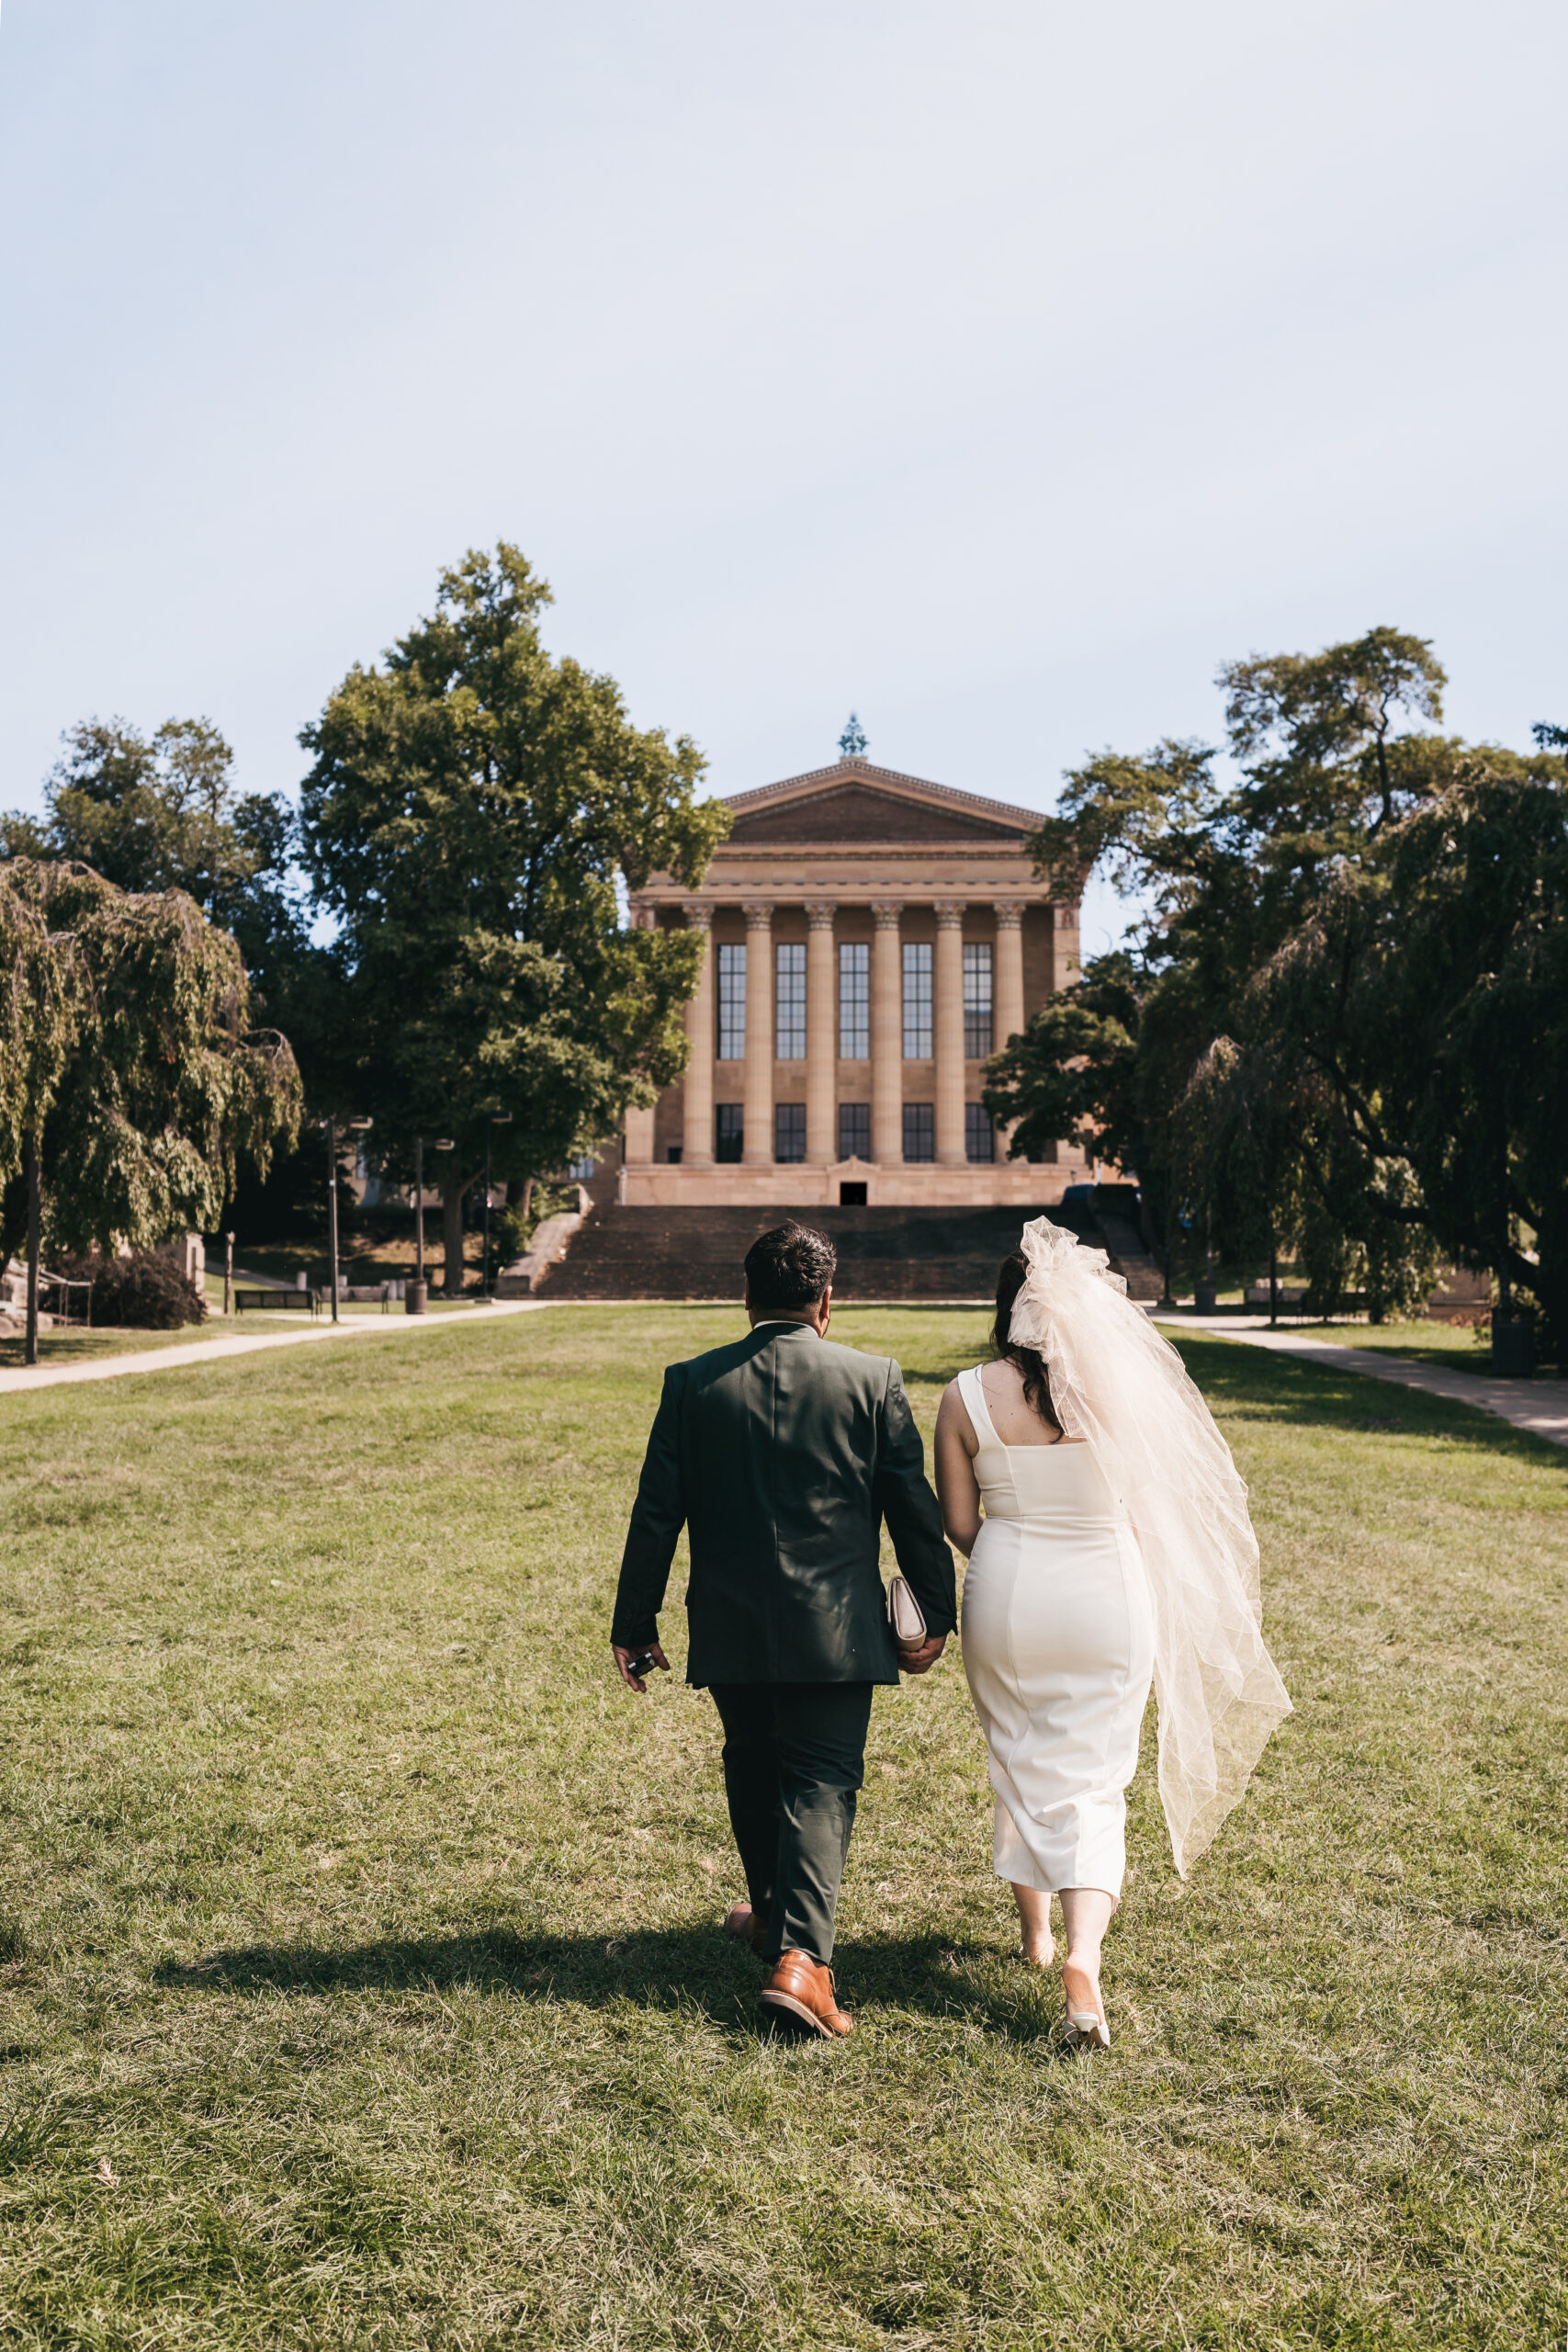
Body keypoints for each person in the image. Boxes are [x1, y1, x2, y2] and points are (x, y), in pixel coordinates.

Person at [935, 1216, 1292, 2051]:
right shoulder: (1122, 1393)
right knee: (1095, 1777)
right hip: (1110, 1594)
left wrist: (1020, 1543)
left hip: (1009, 1592)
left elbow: (960, 1522)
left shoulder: (962, 1395)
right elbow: (1162, 1504)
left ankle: (1035, 1937)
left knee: (1018, 1754)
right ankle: (1082, 1958)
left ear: (1006, 1309)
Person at [612, 1219, 955, 2039]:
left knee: (752, 1765)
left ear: (746, 1298)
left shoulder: (691, 1383)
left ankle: (772, 1917)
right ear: (826, 1302)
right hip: (836, 1631)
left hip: (728, 1625)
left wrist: (634, 1621)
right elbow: (912, 1510)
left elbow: (655, 1514)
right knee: (820, 1782)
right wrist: (935, 1614)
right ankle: (802, 1963)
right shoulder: (873, 1379)